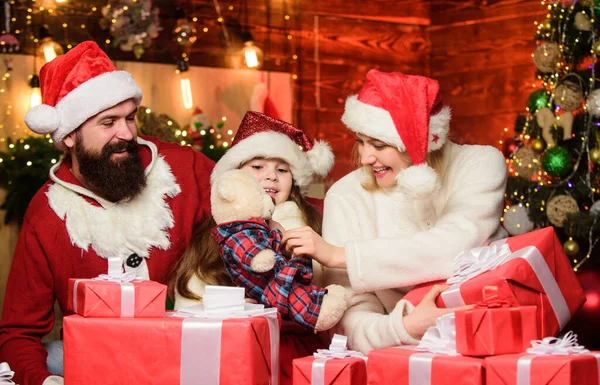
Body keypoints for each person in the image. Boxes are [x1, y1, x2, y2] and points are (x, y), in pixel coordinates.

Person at [0, 41, 214, 385]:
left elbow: (248, 208)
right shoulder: (46, 213)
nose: (127, 133)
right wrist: (41, 380)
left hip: (186, 352)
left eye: (129, 118)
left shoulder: (184, 167)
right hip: (97, 360)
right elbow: (18, 332)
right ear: (69, 135)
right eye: (108, 122)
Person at [282, 69, 508, 353]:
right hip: (405, 356)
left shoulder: (479, 164)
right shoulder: (346, 196)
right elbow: (350, 319)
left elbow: (458, 247)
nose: (365, 157)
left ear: (421, 140)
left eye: (378, 145)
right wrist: (403, 328)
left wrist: (340, 255)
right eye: (360, 142)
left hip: (497, 335)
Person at [169, 111, 334, 384]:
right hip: (236, 352)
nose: (271, 176)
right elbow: (191, 298)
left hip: (304, 354)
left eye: (282, 170)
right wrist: (231, 309)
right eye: (258, 167)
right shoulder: (216, 235)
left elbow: (329, 283)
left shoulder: (313, 222)